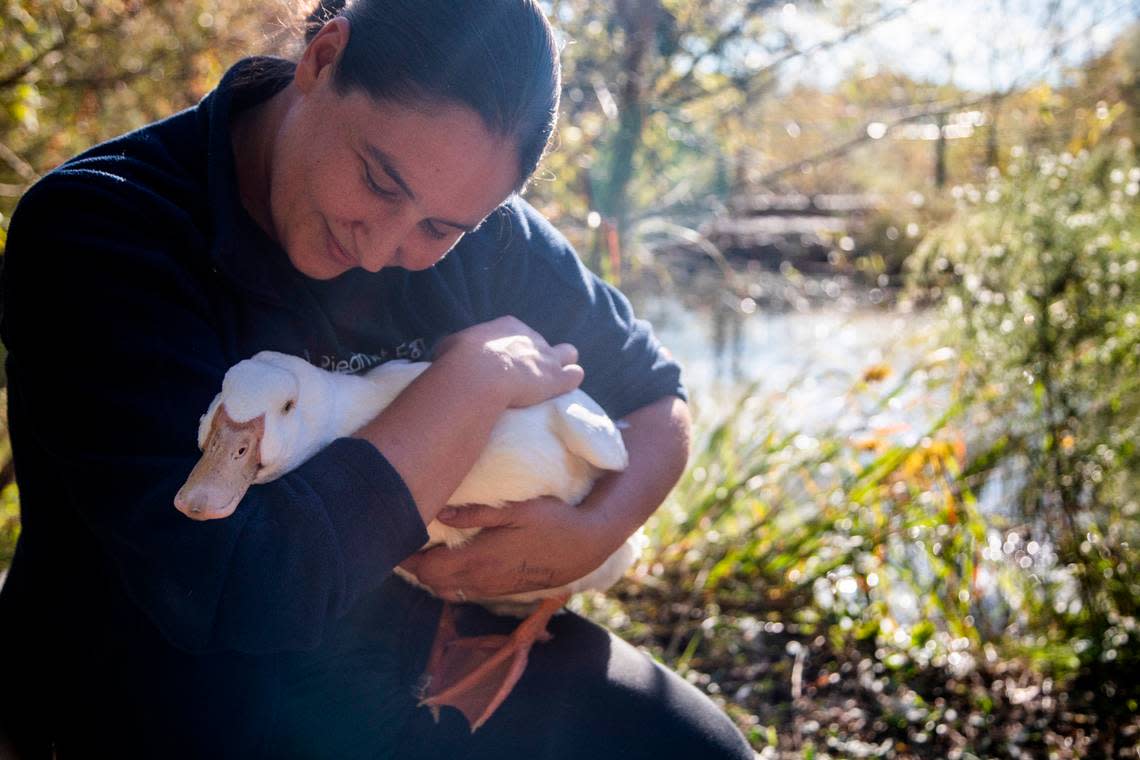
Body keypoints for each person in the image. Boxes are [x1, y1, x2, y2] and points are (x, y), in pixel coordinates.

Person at [0, 1, 753, 757]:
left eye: (440, 228)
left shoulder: (486, 240)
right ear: (322, 60)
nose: (383, 245)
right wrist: (471, 381)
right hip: (173, 682)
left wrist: (594, 531)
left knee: (700, 750)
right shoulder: (100, 230)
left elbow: (656, 397)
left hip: (414, 642)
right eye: (380, 181)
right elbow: (234, 594)